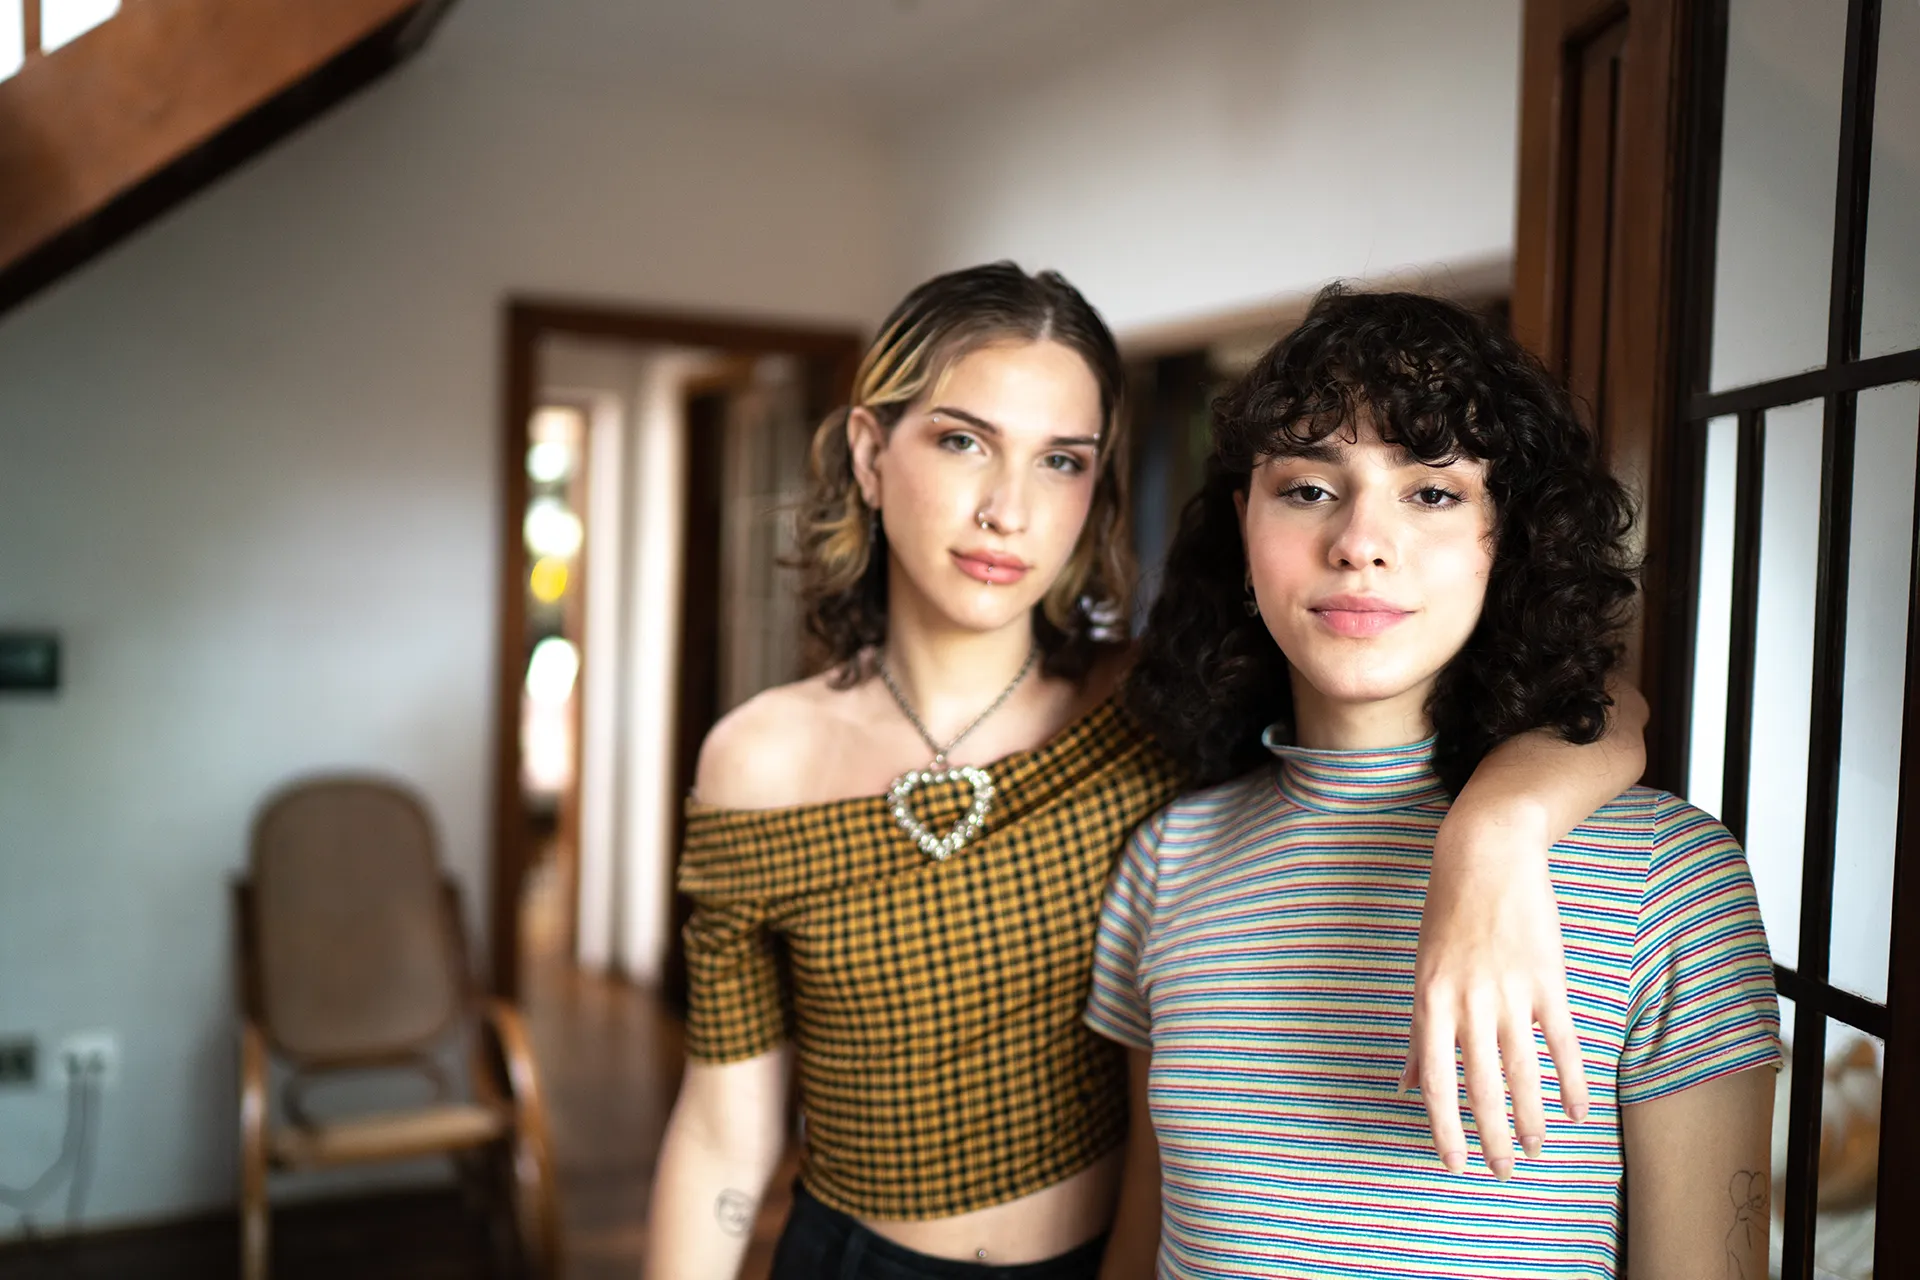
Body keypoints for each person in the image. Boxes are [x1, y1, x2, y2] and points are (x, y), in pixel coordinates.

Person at [645, 265, 1651, 1279]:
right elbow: (724, 1132)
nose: (1007, 508)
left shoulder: (1157, 705)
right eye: (963, 440)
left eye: (1062, 460)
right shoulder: (756, 759)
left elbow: (1594, 707)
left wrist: (1498, 830)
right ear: (870, 451)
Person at [1088, 286, 1779, 1279]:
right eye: (1308, 487)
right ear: (1245, 524)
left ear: (1507, 540)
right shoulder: (1170, 859)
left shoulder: (1665, 877)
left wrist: (1492, 830)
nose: (1360, 540)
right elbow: (1143, 1243)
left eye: (1432, 491)